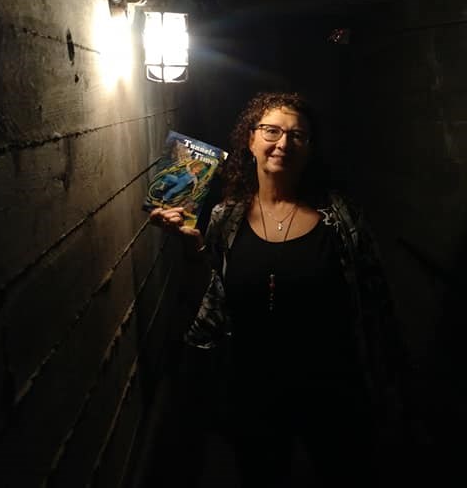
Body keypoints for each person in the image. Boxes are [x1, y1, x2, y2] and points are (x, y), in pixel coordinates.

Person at [150, 91, 406, 488]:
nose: (282, 143)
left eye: (297, 135)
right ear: (250, 140)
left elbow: (377, 302)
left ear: (310, 148)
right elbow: (213, 299)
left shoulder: (340, 218)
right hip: (252, 392)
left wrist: (389, 382)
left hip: (332, 391)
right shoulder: (224, 218)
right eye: (271, 130)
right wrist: (193, 247)